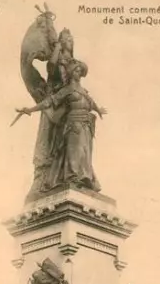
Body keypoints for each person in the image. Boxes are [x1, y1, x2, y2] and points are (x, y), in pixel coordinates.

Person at [17, 60, 107, 193]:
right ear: (71, 73)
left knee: (84, 152)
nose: (79, 73)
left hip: (86, 126)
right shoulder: (67, 90)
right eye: (76, 71)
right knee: (74, 151)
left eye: (80, 71)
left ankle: (84, 178)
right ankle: (72, 176)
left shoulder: (83, 91)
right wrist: (30, 109)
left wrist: (98, 110)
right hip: (73, 123)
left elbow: (91, 103)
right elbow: (49, 102)